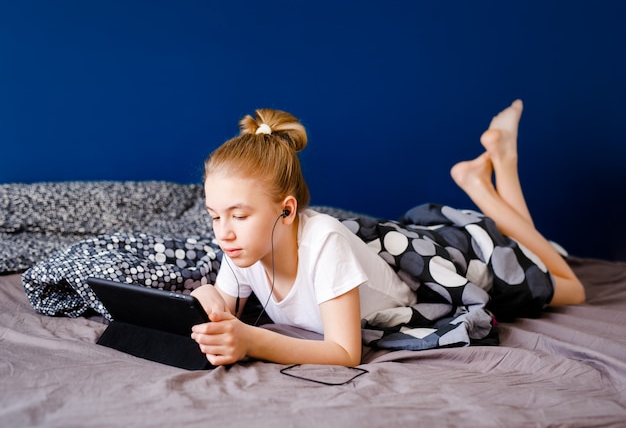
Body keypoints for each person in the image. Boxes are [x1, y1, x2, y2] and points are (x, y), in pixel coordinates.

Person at [190, 100, 585, 367]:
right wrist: (206, 299)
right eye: (214, 217)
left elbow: (345, 351)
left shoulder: (322, 242)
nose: (223, 233)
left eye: (238, 216)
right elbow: (224, 303)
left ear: (287, 210)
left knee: (570, 286)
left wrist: (252, 341)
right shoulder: (241, 245)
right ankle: (499, 161)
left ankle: (481, 184)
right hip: (403, 250)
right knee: (533, 252)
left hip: (450, 266)